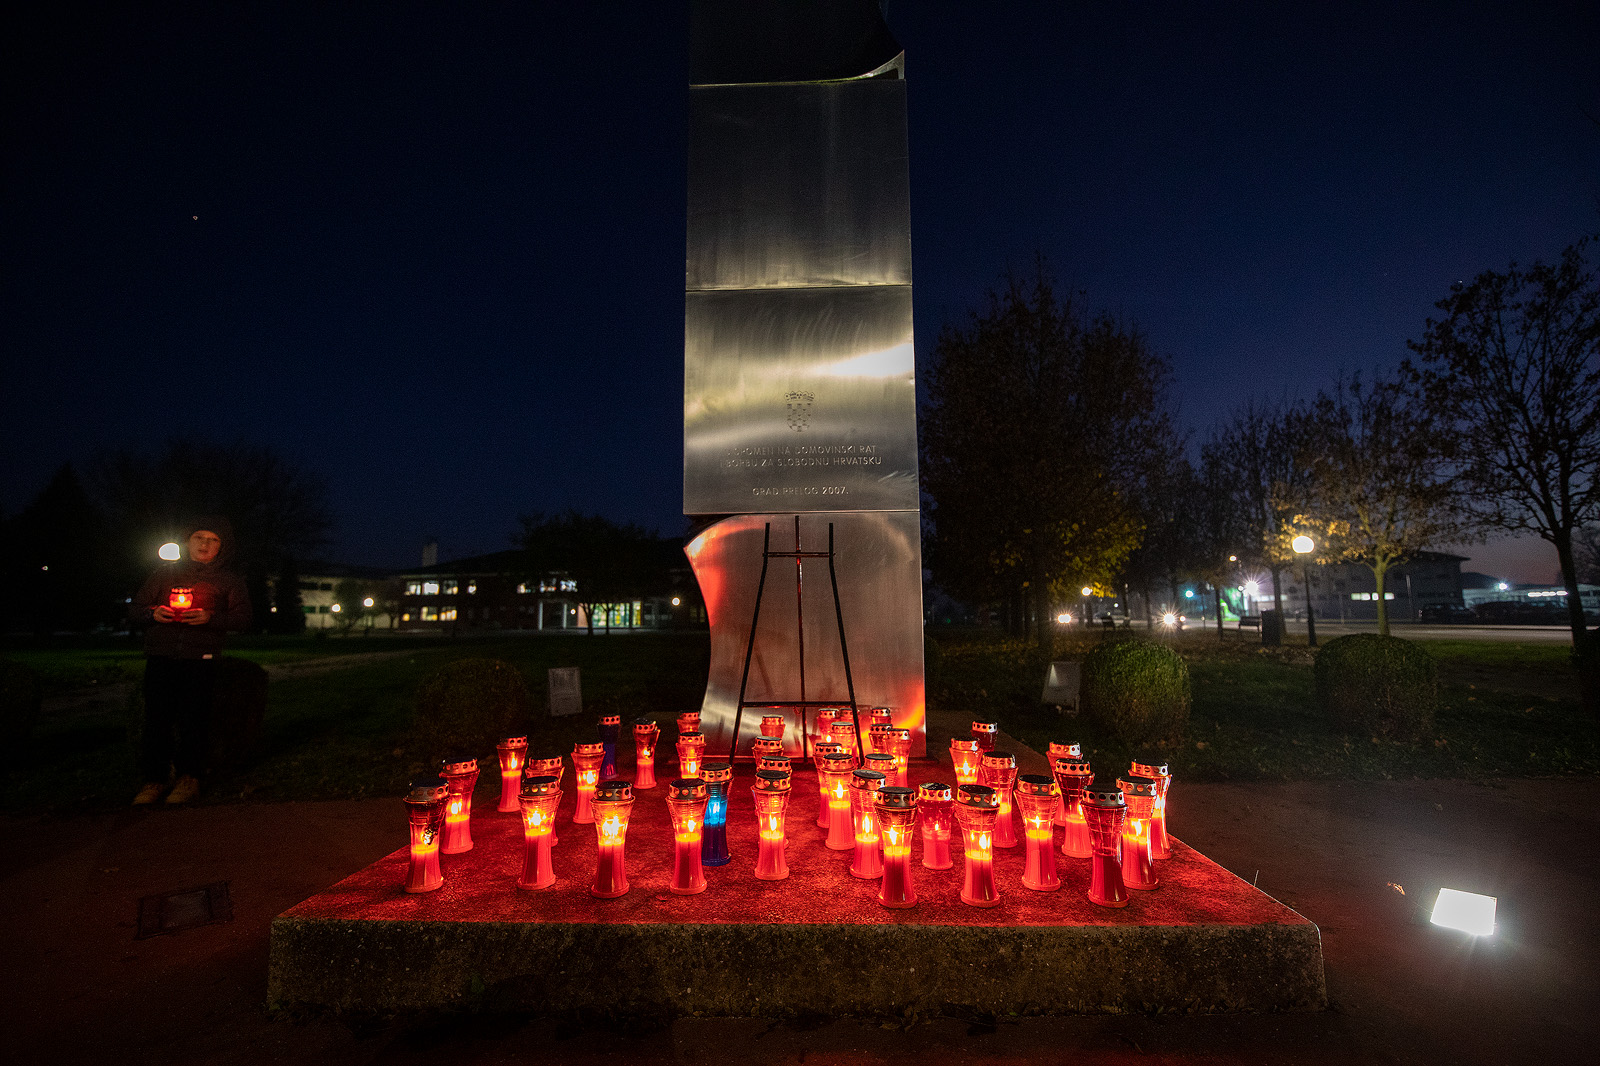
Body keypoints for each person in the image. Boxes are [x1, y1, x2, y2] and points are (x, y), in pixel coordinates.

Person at [128, 517, 252, 805]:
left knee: (193, 719)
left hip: (201, 657)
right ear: (188, 541)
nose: (205, 544)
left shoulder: (229, 580)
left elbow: (244, 619)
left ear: (222, 547)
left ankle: (188, 778)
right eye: (199, 537)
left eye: (213, 539)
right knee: (156, 719)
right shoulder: (163, 575)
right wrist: (152, 613)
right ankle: (153, 780)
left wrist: (211, 618)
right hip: (162, 654)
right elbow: (135, 609)